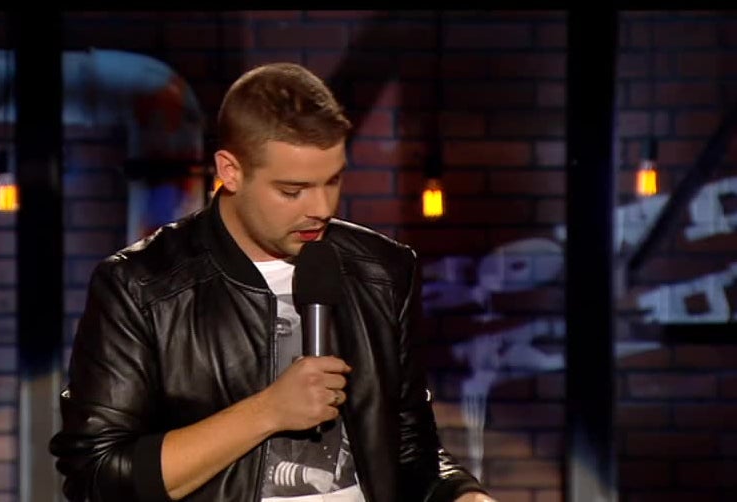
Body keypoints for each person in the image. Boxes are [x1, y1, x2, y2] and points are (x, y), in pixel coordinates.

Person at [49, 62, 496, 502]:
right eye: (292, 190)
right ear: (230, 171)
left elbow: (411, 450)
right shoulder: (140, 286)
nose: (321, 208)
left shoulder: (384, 271)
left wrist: (462, 494)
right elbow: (98, 477)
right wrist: (267, 412)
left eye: (333, 181)